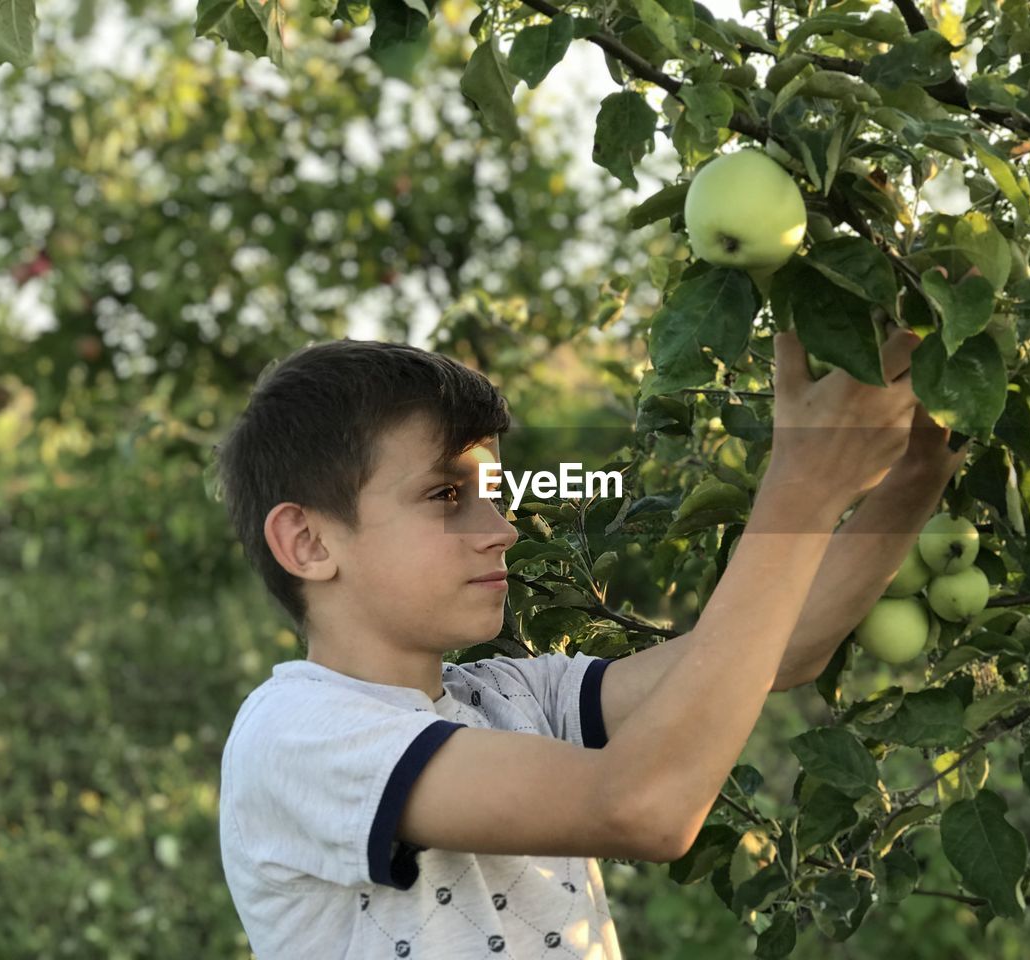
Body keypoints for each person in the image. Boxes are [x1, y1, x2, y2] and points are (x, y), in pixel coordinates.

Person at [209, 330, 965, 958]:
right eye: (445, 496)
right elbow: (641, 806)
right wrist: (801, 485)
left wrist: (921, 469)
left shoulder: (511, 696)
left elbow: (786, 646)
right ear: (306, 541)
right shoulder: (293, 733)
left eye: (494, 496)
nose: (502, 530)